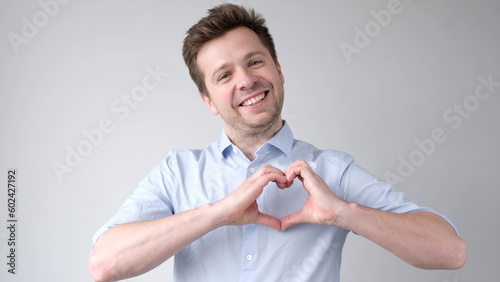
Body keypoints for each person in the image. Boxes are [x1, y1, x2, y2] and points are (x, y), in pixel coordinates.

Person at [88, 4, 467, 282]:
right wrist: (218, 213)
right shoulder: (178, 173)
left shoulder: (331, 171)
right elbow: (105, 264)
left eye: (255, 62)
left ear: (278, 70)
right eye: (224, 75)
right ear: (208, 101)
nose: (246, 81)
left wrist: (342, 213)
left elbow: (450, 252)